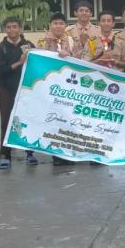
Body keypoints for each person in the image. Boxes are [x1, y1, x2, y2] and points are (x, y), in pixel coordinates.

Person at [38, 12, 83, 165]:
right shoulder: (42, 41)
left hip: (69, 86)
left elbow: (81, 61)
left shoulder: (72, 41)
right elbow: (39, 61)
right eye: (55, 23)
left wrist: (68, 55)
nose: (58, 26)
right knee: (53, 119)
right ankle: (56, 154)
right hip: (51, 86)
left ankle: (70, 152)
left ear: (65, 26)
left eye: (61, 23)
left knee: (69, 119)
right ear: (50, 26)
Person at [0, 16, 37, 169]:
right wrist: (20, 62)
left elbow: (36, 66)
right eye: (9, 27)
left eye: (15, 26)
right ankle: (5, 155)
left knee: (27, 120)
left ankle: (30, 153)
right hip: (6, 88)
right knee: (7, 121)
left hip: (26, 88)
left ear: (20, 28)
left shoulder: (29, 45)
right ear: (5, 29)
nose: (12, 30)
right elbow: (1, 71)